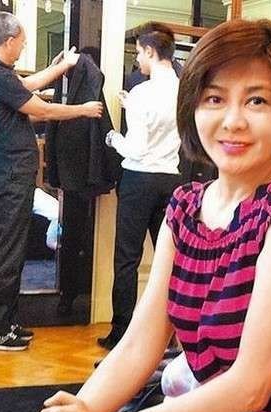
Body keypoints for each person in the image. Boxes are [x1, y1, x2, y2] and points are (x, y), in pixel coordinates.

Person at [0, 18, 271, 412]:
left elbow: (250, 386)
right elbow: (137, 346)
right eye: (215, 99)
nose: (233, 120)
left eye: (257, 100)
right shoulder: (186, 207)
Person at [0, 12, 103, 352]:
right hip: (10, 175)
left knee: (9, 251)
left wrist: (59, 67)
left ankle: (3, 322)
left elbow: (28, 86)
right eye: (22, 42)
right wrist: (83, 109)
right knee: (6, 253)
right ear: (9, 41)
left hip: (10, 174)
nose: (23, 47)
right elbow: (42, 110)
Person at [98, 28, 183, 350]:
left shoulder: (142, 92)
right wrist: (130, 105)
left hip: (139, 180)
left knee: (127, 259)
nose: (138, 60)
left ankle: (121, 333)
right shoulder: (184, 90)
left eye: (138, 53)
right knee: (168, 260)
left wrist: (112, 138)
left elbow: (135, 148)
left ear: (150, 51)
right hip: (170, 179)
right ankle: (169, 333)